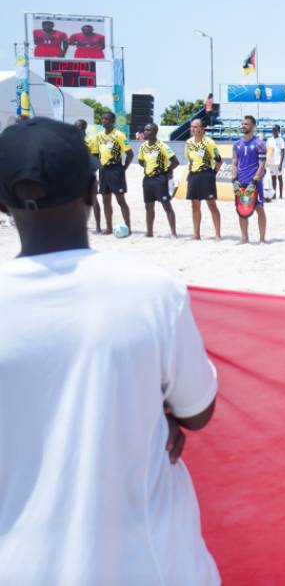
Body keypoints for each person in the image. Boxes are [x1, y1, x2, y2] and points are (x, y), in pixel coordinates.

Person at [0, 117, 220, 585]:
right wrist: (155, 411)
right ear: (90, 188)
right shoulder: (153, 292)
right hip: (149, 566)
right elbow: (198, 412)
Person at [136, 123, 178, 238]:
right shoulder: (143, 146)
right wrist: (146, 166)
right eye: (144, 130)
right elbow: (140, 160)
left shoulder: (162, 146)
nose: (145, 132)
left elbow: (175, 161)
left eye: (148, 130)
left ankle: (173, 233)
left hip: (160, 179)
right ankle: (149, 232)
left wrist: (167, 171)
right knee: (149, 206)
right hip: (147, 179)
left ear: (154, 132)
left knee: (166, 205)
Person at [94, 111, 133, 235]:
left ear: (112, 121)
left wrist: (123, 168)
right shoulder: (99, 136)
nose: (103, 121)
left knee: (121, 200)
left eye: (106, 119)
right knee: (106, 200)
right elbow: (95, 153)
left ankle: (128, 228)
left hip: (116, 170)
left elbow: (130, 154)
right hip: (103, 170)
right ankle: (109, 228)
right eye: (102, 119)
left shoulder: (119, 135)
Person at [185, 118, 222, 240]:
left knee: (212, 205)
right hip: (193, 175)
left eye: (195, 127)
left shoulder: (209, 142)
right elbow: (190, 159)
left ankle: (217, 234)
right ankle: (196, 234)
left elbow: (219, 160)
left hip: (206, 175)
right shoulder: (189, 142)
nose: (193, 129)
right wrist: (189, 173)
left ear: (202, 128)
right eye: (192, 126)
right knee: (195, 206)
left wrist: (212, 174)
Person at [232, 115, 268, 244]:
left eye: (246, 124)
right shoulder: (236, 144)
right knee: (241, 210)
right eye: (242, 124)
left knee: (259, 209)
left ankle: (262, 239)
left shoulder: (260, 144)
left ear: (253, 126)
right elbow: (234, 163)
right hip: (240, 182)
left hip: (255, 182)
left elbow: (262, 165)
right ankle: (244, 238)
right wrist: (234, 180)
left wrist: (254, 181)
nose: (243, 126)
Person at [74, 118, 102, 234]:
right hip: (75, 175)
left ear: (84, 127)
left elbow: (97, 159)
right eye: (75, 126)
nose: (77, 128)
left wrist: (99, 177)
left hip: (89, 174)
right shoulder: (72, 141)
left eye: (79, 126)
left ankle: (98, 226)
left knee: (94, 200)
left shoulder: (91, 140)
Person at [265, 125, 285, 199]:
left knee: (280, 178)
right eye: (273, 130)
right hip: (271, 162)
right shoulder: (269, 140)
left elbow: (283, 152)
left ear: (278, 131)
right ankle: (274, 194)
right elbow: (267, 150)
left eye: (276, 130)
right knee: (273, 178)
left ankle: (280, 195)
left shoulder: (281, 140)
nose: (274, 132)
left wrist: (280, 164)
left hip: (278, 162)